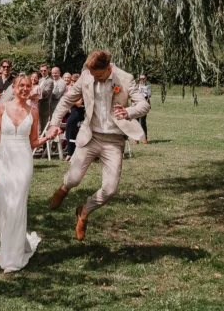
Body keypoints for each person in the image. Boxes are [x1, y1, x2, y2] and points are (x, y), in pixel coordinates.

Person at [47, 50, 150, 241]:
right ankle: (65, 187)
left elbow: (144, 105)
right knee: (74, 179)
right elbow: (67, 100)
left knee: (110, 188)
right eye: (92, 74)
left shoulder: (126, 79)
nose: (94, 78)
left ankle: (84, 211)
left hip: (113, 140)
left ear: (108, 68)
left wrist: (128, 111)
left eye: (98, 75)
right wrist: (54, 123)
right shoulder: (86, 76)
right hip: (90, 135)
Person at [0, 75, 55, 273]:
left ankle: (11, 259)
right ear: (13, 88)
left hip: (23, 162)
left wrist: (46, 138)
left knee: (16, 205)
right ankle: (14, 240)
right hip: (4, 161)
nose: (24, 89)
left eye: (27, 86)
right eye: (20, 85)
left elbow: (33, 142)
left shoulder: (34, 111)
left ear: (32, 89)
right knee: (5, 204)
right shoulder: (1, 108)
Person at [36, 63, 55, 130]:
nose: (43, 72)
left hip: (44, 107)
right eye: (41, 71)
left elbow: (46, 94)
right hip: (36, 106)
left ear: (48, 70)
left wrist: (34, 93)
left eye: (44, 70)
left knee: (42, 128)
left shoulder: (50, 81)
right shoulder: (39, 80)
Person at [137, 74, 152, 144]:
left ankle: (144, 138)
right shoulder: (137, 86)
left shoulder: (148, 86)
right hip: (136, 105)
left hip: (144, 105)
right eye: (141, 79)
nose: (142, 80)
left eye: (143, 78)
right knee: (136, 122)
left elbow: (149, 95)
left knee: (143, 122)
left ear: (145, 79)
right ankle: (135, 138)